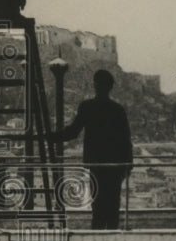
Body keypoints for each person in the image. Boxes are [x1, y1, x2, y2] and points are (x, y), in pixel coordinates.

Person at [50, 69, 133, 229]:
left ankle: (98, 237)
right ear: (111, 87)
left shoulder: (87, 107)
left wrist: (50, 137)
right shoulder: (117, 109)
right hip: (114, 166)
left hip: (97, 165)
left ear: (95, 85)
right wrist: (128, 166)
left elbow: (72, 132)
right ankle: (111, 240)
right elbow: (126, 141)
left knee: (98, 207)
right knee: (112, 207)